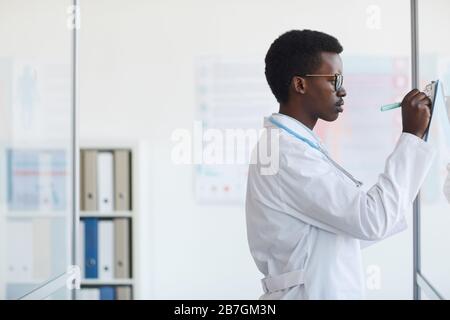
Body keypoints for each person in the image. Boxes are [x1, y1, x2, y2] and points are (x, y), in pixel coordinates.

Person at [245, 29, 435, 299]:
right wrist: (411, 136)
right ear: (300, 85)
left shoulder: (289, 145)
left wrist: (392, 202)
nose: (342, 90)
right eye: (334, 80)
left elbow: (356, 225)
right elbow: (372, 220)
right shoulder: (287, 154)